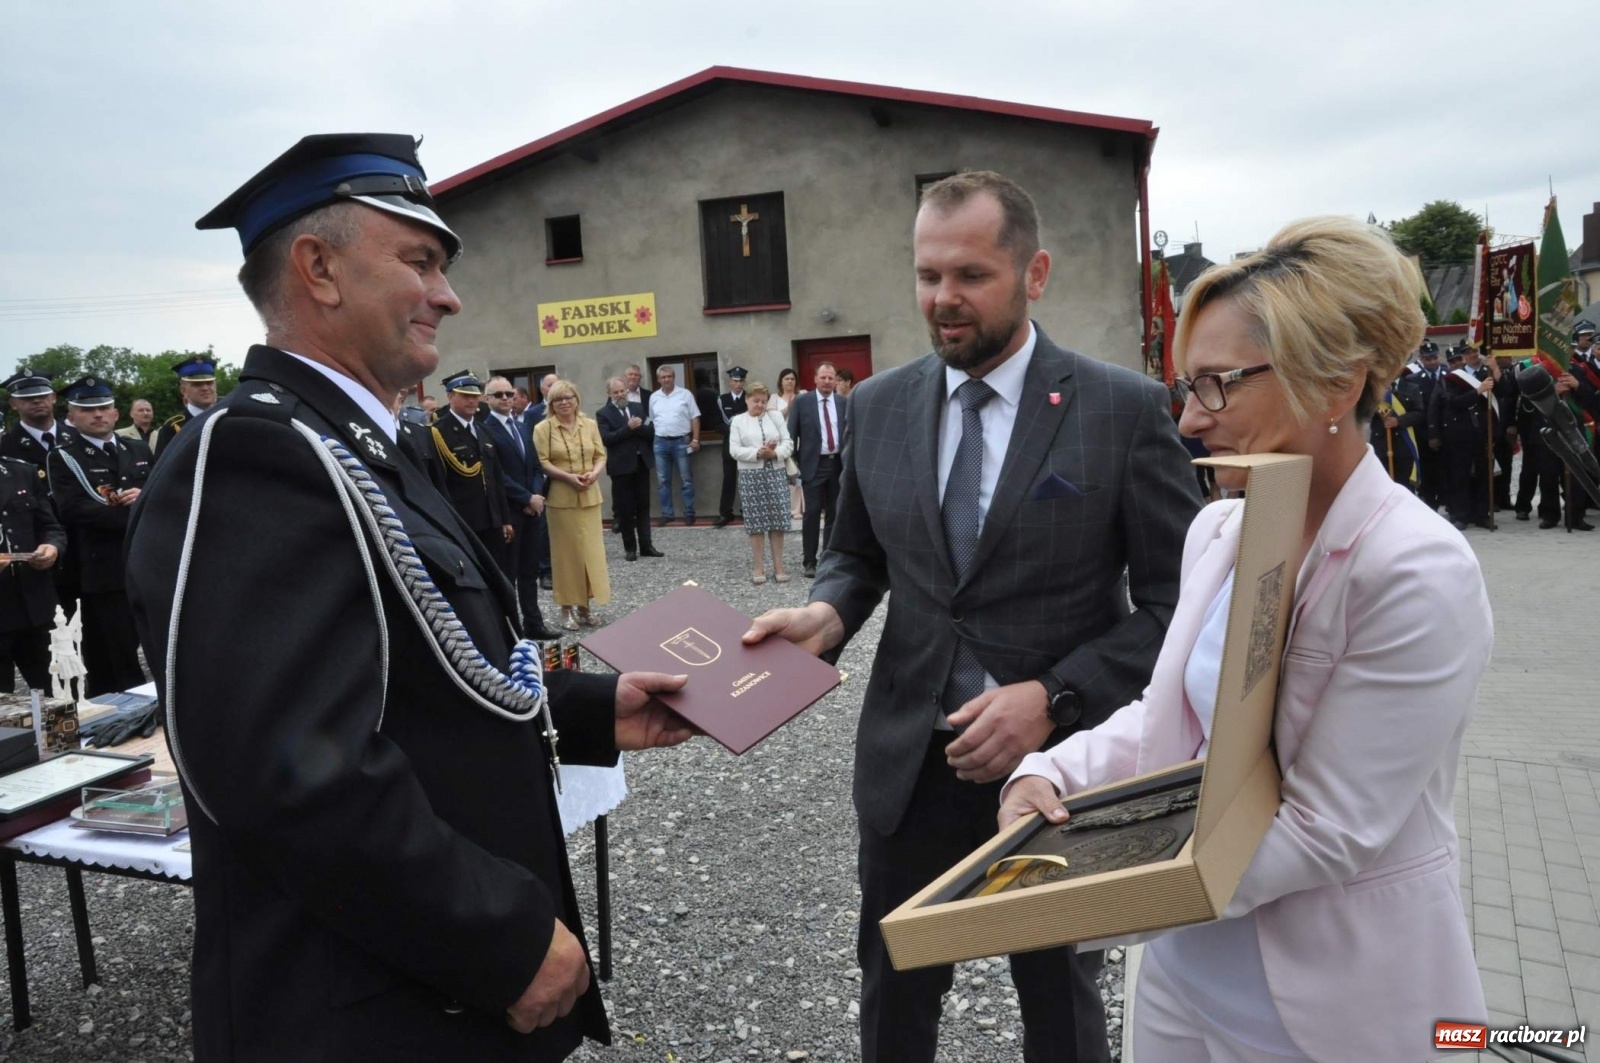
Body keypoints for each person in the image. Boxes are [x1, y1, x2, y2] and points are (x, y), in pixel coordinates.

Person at [126, 132, 696, 1063]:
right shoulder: (258, 455)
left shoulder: (366, 444)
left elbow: (416, 676)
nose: (449, 293)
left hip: (424, 992)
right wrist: (501, 938)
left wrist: (596, 709)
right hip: (367, 1008)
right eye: (421, 261)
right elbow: (293, 772)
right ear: (319, 268)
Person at [1000, 216, 1490, 1063]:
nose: (1190, 420)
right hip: (1183, 979)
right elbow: (1169, 717)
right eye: (1185, 388)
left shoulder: (1416, 570)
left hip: (1336, 1004)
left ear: (1336, 384)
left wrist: (1088, 887)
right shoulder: (1220, 529)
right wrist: (1051, 769)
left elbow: (1329, 826)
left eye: (1218, 385)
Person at [745, 171, 1199, 1063]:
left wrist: (1055, 698)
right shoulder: (877, 406)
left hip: (1060, 773)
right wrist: (826, 615)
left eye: (970, 276)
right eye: (926, 276)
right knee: (895, 998)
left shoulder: (1121, 408)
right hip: (909, 760)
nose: (942, 300)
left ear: (1034, 274)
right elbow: (859, 556)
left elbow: (1176, 607)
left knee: (1062, 1005)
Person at [46, 376, 152, 697]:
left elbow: (163, 492)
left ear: (117, 413)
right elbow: (74, 509)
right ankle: (125, 714)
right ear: (72, 416)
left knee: (155, 644)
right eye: (87, 410)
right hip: (102, 571)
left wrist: (145, 497)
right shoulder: (64, 456)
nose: (98, 415)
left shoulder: (137, 448)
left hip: (146, 564)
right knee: (114, 656)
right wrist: (137, 512)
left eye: (104, 408)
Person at [482, 376, 559, 640]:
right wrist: (526, 498)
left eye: (508, 394)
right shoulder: (485, 430)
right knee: (509, 574)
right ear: (487, 399)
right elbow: (496, 475)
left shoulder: (524, 427)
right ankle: (510, 628)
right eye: (498, 395)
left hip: (533, 510)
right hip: (511, 512)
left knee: (530, 571)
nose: (505, 398)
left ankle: (533, 623)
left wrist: (537, 496)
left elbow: (536, 466)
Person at [535, 380, 610, 630]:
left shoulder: (589, 425)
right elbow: (542, 462)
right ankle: (566, 608)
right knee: (566, 555)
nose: (564, 403)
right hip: (561, 498)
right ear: (551, 404)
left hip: (590, 496)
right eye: (558, 399)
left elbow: (600, 455)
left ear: (577, 399)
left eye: (569, 398)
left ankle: (585, 606)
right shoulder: (543, 428)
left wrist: (594, 473)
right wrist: (569, 478)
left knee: (589, 554)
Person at [432, 370, 516, 570]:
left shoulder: (483, 430)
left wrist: (505, 519)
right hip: (463, 519)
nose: (472, 401)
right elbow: (438, 482)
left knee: (498, 573)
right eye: (465, 396)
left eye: (475, 396)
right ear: (450, 396)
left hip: (491, 520)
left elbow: (495, 477)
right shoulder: (438, 432)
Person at [0, 450, 64, 695]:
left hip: (33, 606)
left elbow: (51, 527)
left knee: (58, 698)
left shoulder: (22, 472)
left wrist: (52, 547)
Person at [727, 381, 793, 584]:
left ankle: (779, 565)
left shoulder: (775, 417)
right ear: (747, 400)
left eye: (763, 401)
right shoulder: (738, 421)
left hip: (775, 472)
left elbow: (788, 442)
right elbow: (734, 450)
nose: (760, 405)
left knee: (777, 520)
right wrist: (757, 452)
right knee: (756, 522)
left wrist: (774, 453)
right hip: (750, 475)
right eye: (755, 401)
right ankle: (758, 566)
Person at [1428, 344, 1500, 530]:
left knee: (1483, 475)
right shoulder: (1449, 379)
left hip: (1482, 433)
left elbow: (1502, 394)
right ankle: (1461, 514)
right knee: (1459, 476)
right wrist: (1478, 391)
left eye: (1462, 357)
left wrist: (1495, 369)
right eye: (1457, 359)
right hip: (1458, 434)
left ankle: (1482, 514)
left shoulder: (1484, 373)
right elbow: (1453, 402)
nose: (1459, 361)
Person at [786, 362, 847, 578]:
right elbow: (790, 434)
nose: (827, 382)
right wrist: (793, 465)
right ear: (815, 379)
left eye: (831, 378)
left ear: (835, 380)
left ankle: (828, 558)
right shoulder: (802, 401)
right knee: (811, 513)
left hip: (838, 465)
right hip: (813, 465)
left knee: (834, 513)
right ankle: (809, 561)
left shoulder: (842, 402)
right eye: (823, 378)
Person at [597, 377, 660, 562]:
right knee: (625, 509)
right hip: (621, 467)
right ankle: (630, 548)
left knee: (643, 507)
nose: (620, 394)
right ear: (609, 394)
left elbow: (650, 431)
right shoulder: (603, 413)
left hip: (641, 463)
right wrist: (628, 428)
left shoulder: (638, 407)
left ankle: (647, 546)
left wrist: (637, 428)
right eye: (615, 392)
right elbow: (607, 439)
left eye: (622, 391)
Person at [647, 365, 700, 525]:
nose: (667, 379)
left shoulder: (685, 394)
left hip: (682, 442)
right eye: (663, 377)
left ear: (674, 377)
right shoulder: (654, 397)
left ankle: (689, 513)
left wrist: (695, 439)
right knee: (663, 481)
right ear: (658, 380)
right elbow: (651, 419)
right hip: (660, 442)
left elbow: (695, 417)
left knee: (686, 479)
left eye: (669, 376)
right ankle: (667, 514)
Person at [151, 355, 220, 456]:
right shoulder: (172, 428)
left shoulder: (227, 417)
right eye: (197, 384)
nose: (205, 388)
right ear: (183, 390)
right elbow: (162, 469)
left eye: (209, 383)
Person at [0, 368, 65, 468]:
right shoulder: (5, 446)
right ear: (13, 404)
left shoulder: (78, 438)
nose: (36, 400)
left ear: (53, 398)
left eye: (42, 395)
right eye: (27, 397)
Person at [1410, 341, 1446, 509]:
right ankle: (1430, 503)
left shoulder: (1450, 374)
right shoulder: (1413, 380)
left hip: (1448, 430)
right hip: (1423, 434)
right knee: (1428, 470)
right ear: (1421, 359)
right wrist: (1430, 434)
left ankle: (1450, 503)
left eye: (1434, 357)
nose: (1432, 362)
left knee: (1448, 469)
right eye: (1428, 359)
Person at [714, 366, 749, 528]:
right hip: (729, 445)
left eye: (741, 381)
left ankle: (747, 511)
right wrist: (733, 429)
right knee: (728, 479)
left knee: (747, 478)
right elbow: (717, 424)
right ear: (730, 382)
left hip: (747, 444)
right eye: (735, 381)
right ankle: (725, 513)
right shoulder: (722, 400)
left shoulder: (749, 398)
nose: (738, 384)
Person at [773, 367, 803, 521]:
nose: (790, 381)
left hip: (800, 440)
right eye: (787, 379)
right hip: (781, 442)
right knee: (787, 476)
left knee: (800, 476)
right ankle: (789, 508)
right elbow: (773, 418)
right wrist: (789, 406)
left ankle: (801, 509)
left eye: (792, 379)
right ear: (781, 382)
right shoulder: (774, 398)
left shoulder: (801, 396)